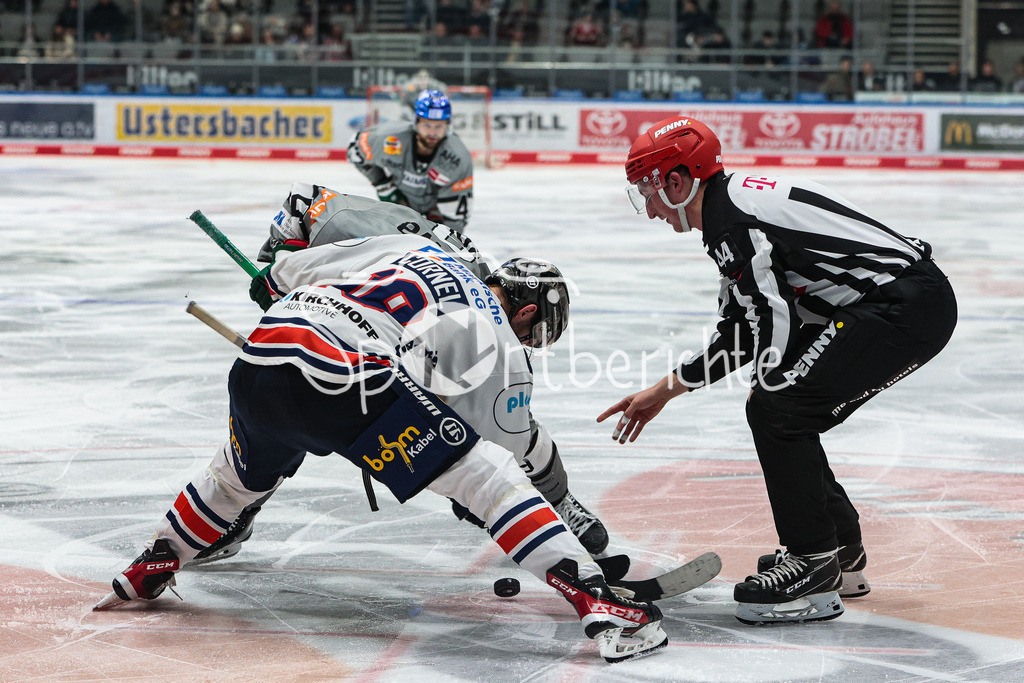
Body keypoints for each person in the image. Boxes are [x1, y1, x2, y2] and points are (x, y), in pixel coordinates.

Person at [96, 234, 667, 664]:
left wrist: (275, 288)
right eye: (538, 332)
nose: (532, 346)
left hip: (261, 355)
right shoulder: (503, 347)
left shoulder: (415, 248)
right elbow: (505, 464)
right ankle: (599, 603)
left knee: (234, 480)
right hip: (343, 374)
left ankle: (153, 562)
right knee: (488, 477)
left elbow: (285, 270)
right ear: (524, 312)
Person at [598, 116, 957, 625]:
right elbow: (742, 327)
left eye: (648, 191)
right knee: (782, 407)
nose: (649, 209)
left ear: (676, 182)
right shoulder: (731, 206)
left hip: (901, 307)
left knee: (779, 408)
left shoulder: (731, 220)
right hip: (900, 301)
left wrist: (768, 386)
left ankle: (813, 560)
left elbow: (765, 323)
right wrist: (665, 391)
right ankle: (840, 554)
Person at [191, 183, 611, 564]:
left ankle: (562, 504)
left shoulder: (464, 288)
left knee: (307, 405)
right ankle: (235, 509)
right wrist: (283, 268)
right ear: (525, 312)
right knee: (298, 406)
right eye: (529, 338)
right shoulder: (436, 267)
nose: (522, 349)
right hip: (333, 316)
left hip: (365, 329)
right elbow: (305, 203)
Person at [348, 90, 474, 233]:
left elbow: (456, 219)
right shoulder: (388, 138)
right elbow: (355, 149)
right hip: (399, 202)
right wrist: (384, 186)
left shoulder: (458, 159)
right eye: (427, 125)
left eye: (439, 126)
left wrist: (447, 245)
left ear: (448, 126)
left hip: (436, 210)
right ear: (415, 122)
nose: (432, 133)